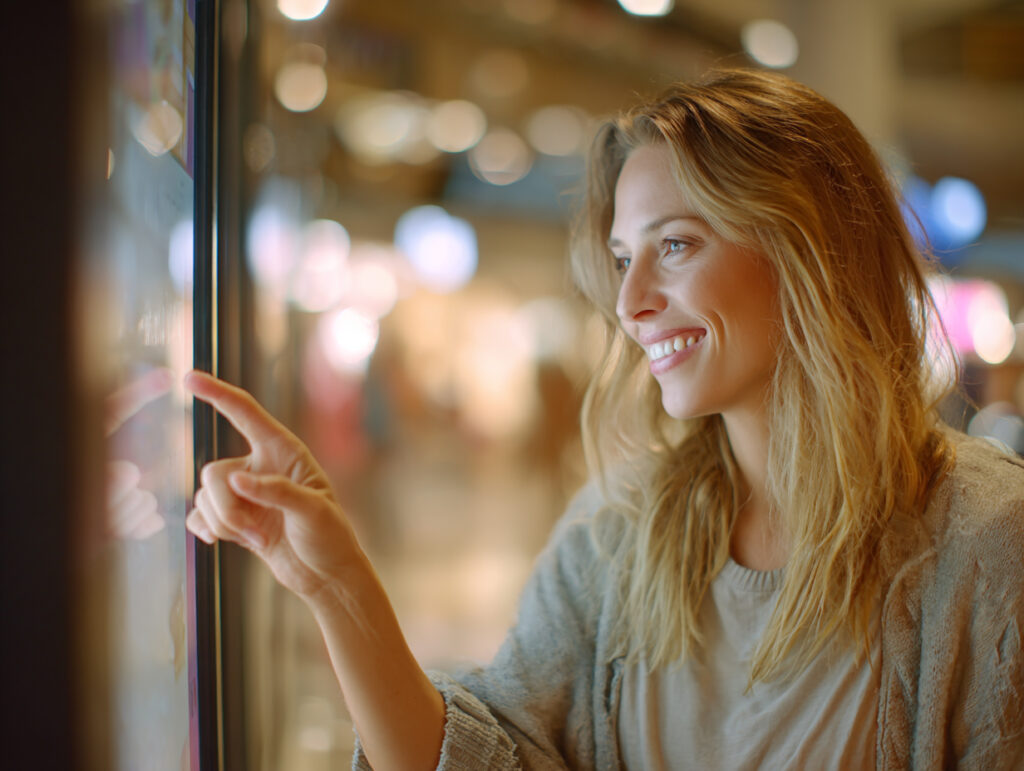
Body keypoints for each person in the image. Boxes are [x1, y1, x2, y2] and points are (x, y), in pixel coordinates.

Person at [185, 69, 1024, 770]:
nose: (630, 303)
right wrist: (336, 583)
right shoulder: (616, 533)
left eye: (677, 246)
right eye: (624, 259)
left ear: (807, 248)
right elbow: (494, 755)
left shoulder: (984, 538)